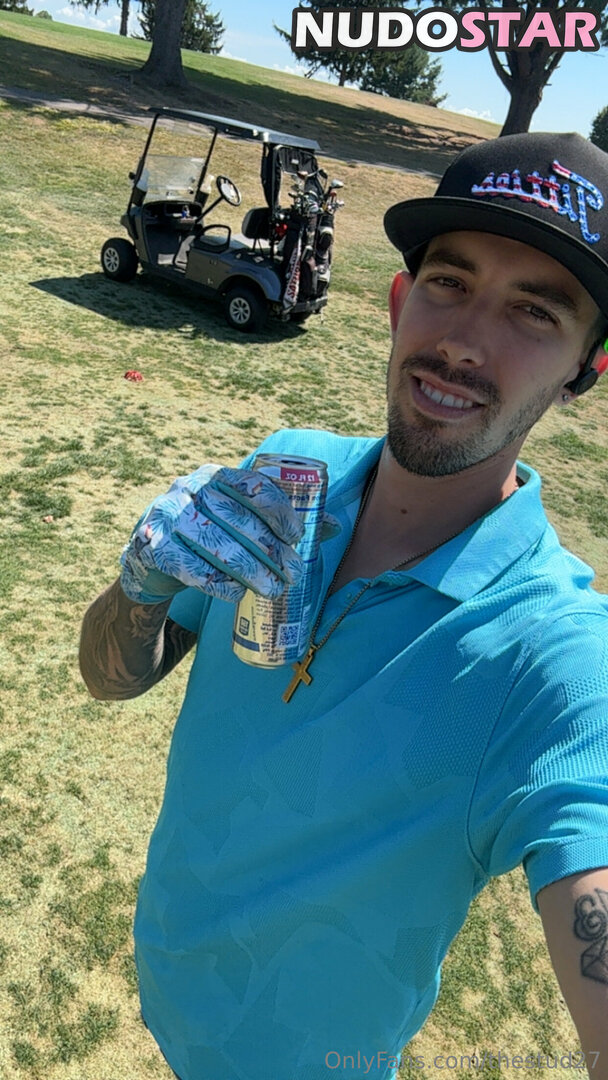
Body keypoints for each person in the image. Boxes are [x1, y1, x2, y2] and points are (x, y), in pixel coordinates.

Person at [79, 131, 608, 1080]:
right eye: (449, 282)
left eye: (536, 311)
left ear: (585, 370)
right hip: (168, 985)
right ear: (401, 302)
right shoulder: (285, 474)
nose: (463, 341)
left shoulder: (553, 655)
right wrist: (144, 582)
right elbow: (110, 681)